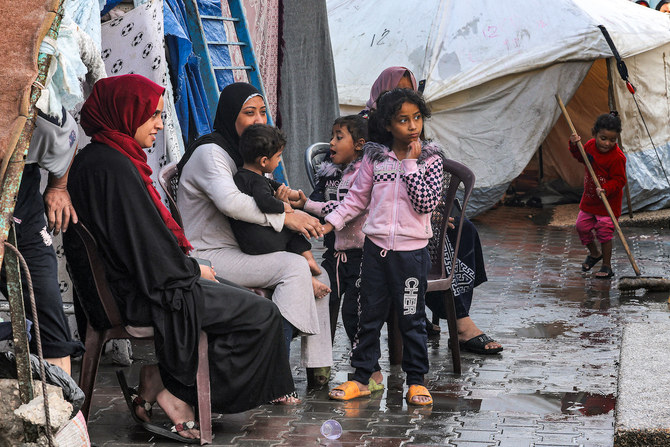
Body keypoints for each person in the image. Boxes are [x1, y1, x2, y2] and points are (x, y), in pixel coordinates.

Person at [66, 74, 295, 442]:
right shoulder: (111, 167)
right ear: (127, 112)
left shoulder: (108, 158)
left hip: (136, 285)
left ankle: (162, 379)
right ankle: (178, 392)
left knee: (244, 300)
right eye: (152, 114)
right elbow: (144, 249)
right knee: (261, 313)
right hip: (143, 294)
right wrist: (191, 268)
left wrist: (189, 267)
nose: (160, 123)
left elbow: (142, 244)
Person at [177, 82, 333, 390]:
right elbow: (231, 202)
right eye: (249, 113)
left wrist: (283, 196)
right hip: (209, 255)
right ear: (230, 116)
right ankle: (273, 369)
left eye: (263, 112)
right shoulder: (212, 152)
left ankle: (319, 371)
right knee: (294, 268)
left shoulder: (247, 152)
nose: (258, 120)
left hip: (240, 249)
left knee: (320, 274)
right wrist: (287, 216)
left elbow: (261, 192)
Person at [363, 66, 502, 355]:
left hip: (416, 207)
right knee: (439, 240)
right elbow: (363, 187)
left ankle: (446, 312)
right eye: (393, 91)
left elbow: (429, 179)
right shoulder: (367, 128)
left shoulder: (412, 127)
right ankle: (460, 323)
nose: (403, 97)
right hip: (381, 218)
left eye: (410, 91)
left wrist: (439, 211)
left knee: (464, 230)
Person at [324, 88, 442, 406]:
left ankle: (416, 381)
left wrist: (411, 165)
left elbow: (425, 203)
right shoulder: (375, 157)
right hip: (375, 250)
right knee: (369, 315)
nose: (412, 125)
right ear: (388, 125)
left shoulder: (430, 159)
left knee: (410, 317)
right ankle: (362, 378)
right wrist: (330, 222)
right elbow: (356, 199)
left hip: (411, 254)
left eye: (417, 118)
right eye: (403, 120)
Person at [1, 109, 85, 375]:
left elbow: (70, 137)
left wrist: (58, 186)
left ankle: (59, 411)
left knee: (47, 312)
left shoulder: (41, 118)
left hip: (22, 215)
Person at [231, 123, 329, 296]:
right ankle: (308, 260)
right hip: (261, 243)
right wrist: (286, 207)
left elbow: (273, 185)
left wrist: (290, 193)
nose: (278, 161)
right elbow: (265, 202)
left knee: (289, 231)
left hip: (251, 239)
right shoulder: (257, 181)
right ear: (263, 161)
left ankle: (308, 264)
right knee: (291, 231)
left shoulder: (246, 176)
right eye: (278, 157)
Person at [304, 115, 368, 344]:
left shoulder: (365, 176)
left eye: (339, 137)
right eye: (332, 136)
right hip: (334, 253)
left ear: (359, 145)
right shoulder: (328, 174)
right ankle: (321, 363)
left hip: (361, 256)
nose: (331, 142)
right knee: (324, 299)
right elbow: (316, 205)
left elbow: (345, 207)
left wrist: (305, 204)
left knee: (354, 311)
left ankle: (362, 362)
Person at [569, 112, 626, 279]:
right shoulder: (590, 146)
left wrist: (606, 189)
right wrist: (574, 145)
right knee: (581, 227)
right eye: (603, 138)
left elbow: (620, 180)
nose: (607, 143)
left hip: (608, 205)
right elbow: (580, 157)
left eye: (612, 140)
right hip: (590, 202)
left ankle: (607, 265)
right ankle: (594, 254)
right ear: (594, 134)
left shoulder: (617, 157)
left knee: (604, 232)